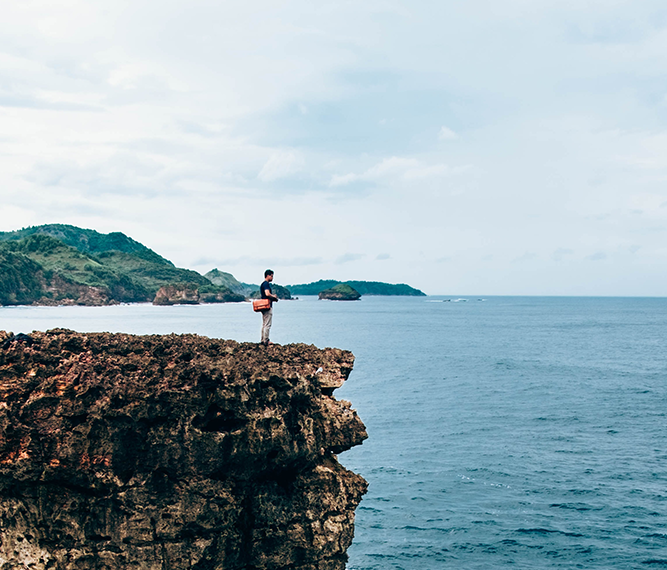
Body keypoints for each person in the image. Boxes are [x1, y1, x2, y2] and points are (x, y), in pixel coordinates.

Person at [259, 269, 278, 346]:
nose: (272, 278)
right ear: (268, 275)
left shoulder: (262, 284)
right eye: (272, 276)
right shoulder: (266, 284)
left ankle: (263, 339)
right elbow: (267, 294)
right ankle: (266, 341)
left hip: (263, 306)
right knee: (267, 324)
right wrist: (274, 296)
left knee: (264, 324)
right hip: (267, 306)